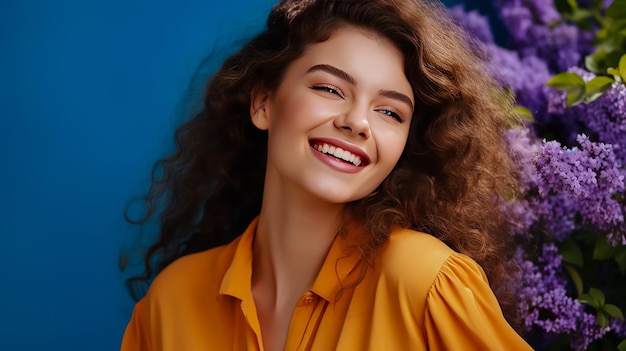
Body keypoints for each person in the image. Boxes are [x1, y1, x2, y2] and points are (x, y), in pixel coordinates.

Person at [121, 0, 534, 350]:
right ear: (263, 101)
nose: (358, 123)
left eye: (390, 112)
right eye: (330, 89)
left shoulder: (426, 284)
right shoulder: (169, 303)